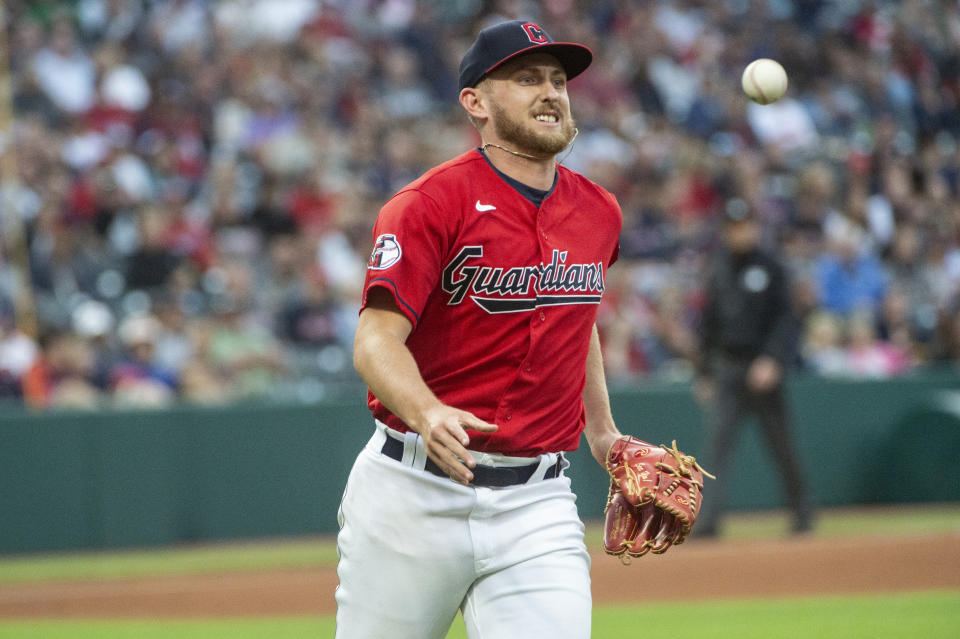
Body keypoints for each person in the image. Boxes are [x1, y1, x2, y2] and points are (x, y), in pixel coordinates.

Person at [337, 20, 625, 639]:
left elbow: (578, 319)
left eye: (558, 80)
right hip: (412, 493)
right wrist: (427, 412)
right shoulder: (428, 203)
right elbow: (374, 340)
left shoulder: (600, 211)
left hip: (537, 501)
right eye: (526, 79)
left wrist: (602, 433)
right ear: (476, 102)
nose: (551, 92)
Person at [694, 199, 813, 537]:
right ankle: (709, 522)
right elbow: (708, 324)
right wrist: (703, 372)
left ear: (755, 227)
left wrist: (773, 359)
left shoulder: (772, 266)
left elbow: (787, 319)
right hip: (729, 367)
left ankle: (802, 514)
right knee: (717, 447)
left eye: (745, 225)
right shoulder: (718, 268)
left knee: (781, 445)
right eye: (733, 227)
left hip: (763, 368)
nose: (740, 232)